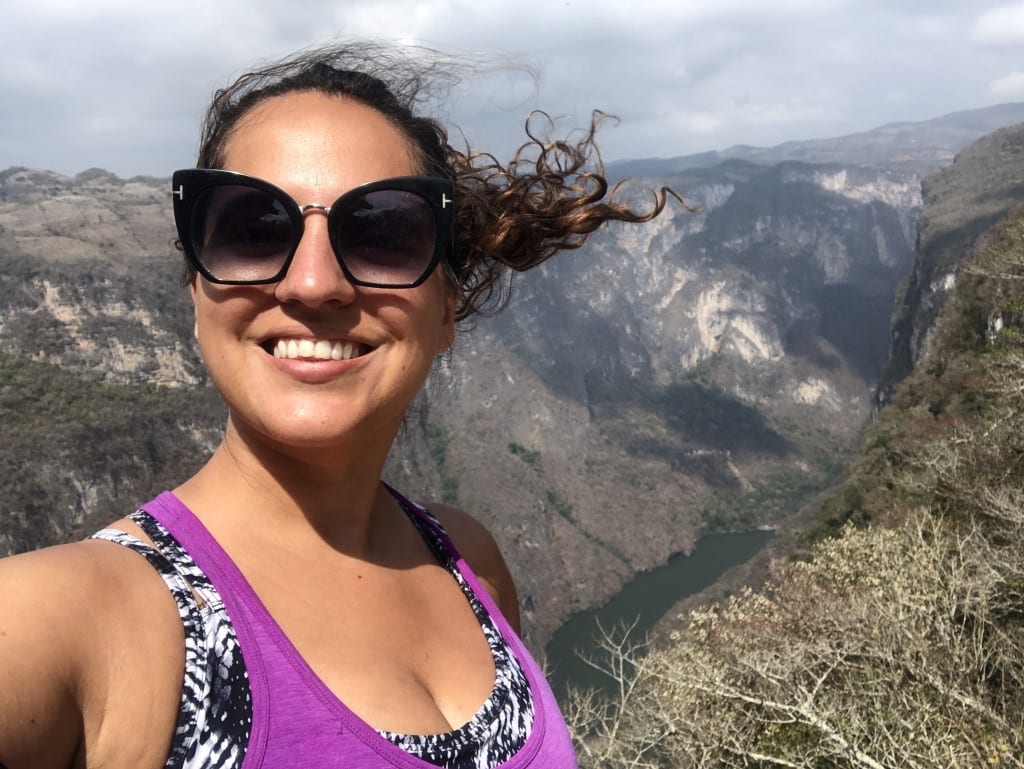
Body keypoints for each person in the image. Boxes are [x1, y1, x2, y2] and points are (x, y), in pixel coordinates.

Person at [0, 43, 676, 769]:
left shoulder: (470, 565)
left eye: (381, 232)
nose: (313, 283)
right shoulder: (83, 622)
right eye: (256, 228)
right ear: (195, 289)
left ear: (447, 307)